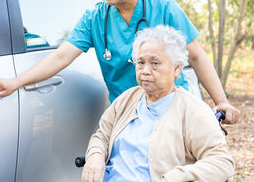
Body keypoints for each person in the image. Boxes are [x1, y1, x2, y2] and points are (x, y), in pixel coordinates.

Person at [0, 0, 240, 124]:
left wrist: (222, 102)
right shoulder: (95, 17)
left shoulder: (163, 7)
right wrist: (15, 82)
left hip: (172, 105)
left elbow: (196, 57)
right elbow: (61, 56)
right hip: (128, 111)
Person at [82, 25, 234, 182]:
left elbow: (222, 162)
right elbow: (102, 136)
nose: (145, 70)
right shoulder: (127, 99)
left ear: (176, 69)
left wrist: (176, 178)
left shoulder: (193, 110)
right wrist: (95, 154)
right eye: (140, 63)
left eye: (154, 63)